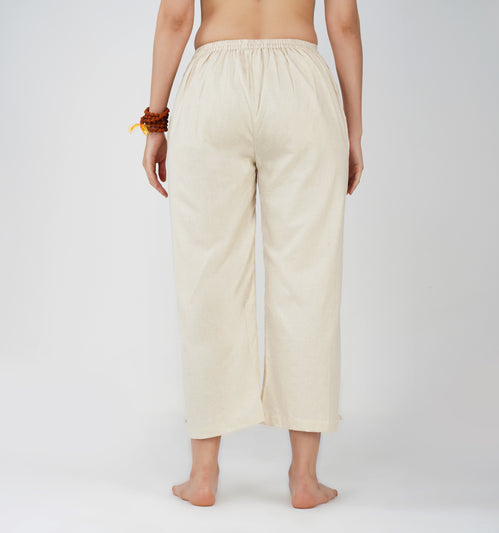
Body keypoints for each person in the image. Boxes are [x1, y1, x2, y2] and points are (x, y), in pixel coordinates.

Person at [136, 0, 363, 509]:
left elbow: (176, 18)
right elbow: (344, 24)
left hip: (214, 86)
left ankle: (202, 475)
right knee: (308, 278)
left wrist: (155, 123)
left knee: (206, 275)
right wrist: (353, 130)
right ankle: (305, 479)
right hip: (302, 88)